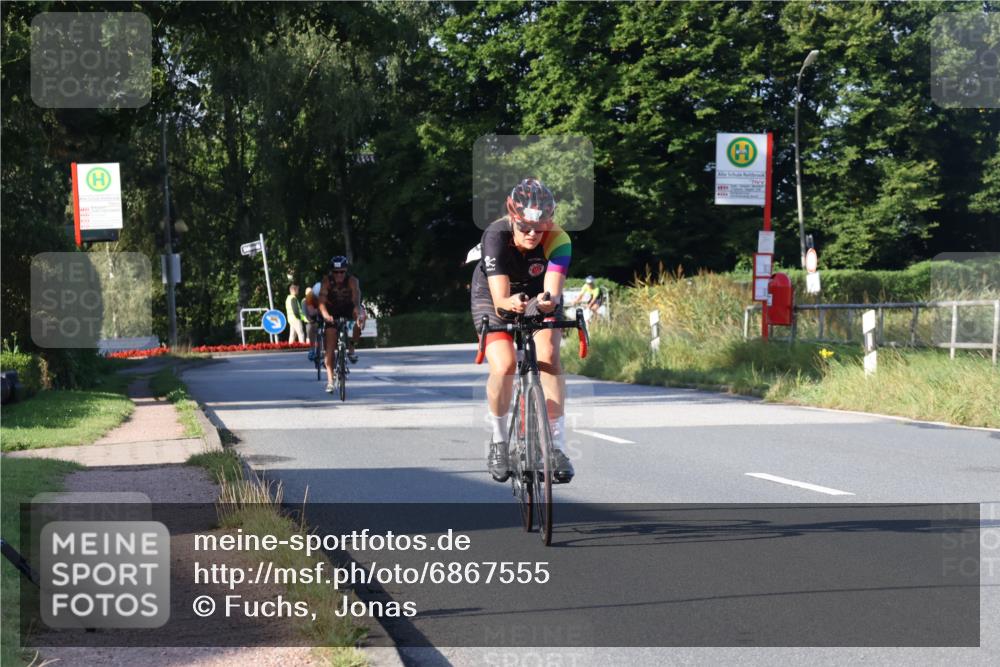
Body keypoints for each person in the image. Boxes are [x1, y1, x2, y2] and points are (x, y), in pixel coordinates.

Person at [470, 177, 574, 484]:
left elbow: (552, 292)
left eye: (539, 228)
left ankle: (556, 447)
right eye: (525, 227)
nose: (532, 234)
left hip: (536, 294)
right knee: (504, 365)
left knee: (549, 357)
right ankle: (499, 441)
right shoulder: (495, 235)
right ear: (512, 218)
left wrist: (545, 303)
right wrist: (510, 304)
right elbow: (501, 300)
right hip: (493, 295)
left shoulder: (559, 239)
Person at [318, 255, 366, 393]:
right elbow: (321, 302)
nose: (339, 275)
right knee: (330, 347)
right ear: (332, 272)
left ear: (346, 271)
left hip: (348, 307)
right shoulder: (326, 281)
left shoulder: (352, 281)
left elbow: (356, 300)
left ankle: (352, 347)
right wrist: (326, 316)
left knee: (362, 317)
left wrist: (358, 315)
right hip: (332, 311)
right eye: (336, 272)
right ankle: (330, 382)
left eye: (342, 272)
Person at [303, 286, 321, 359]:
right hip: (312, 310)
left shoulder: (327, 295)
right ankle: (312, 349)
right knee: (312, 326)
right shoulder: (309, 297)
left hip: (324, 307)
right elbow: (311, 312)